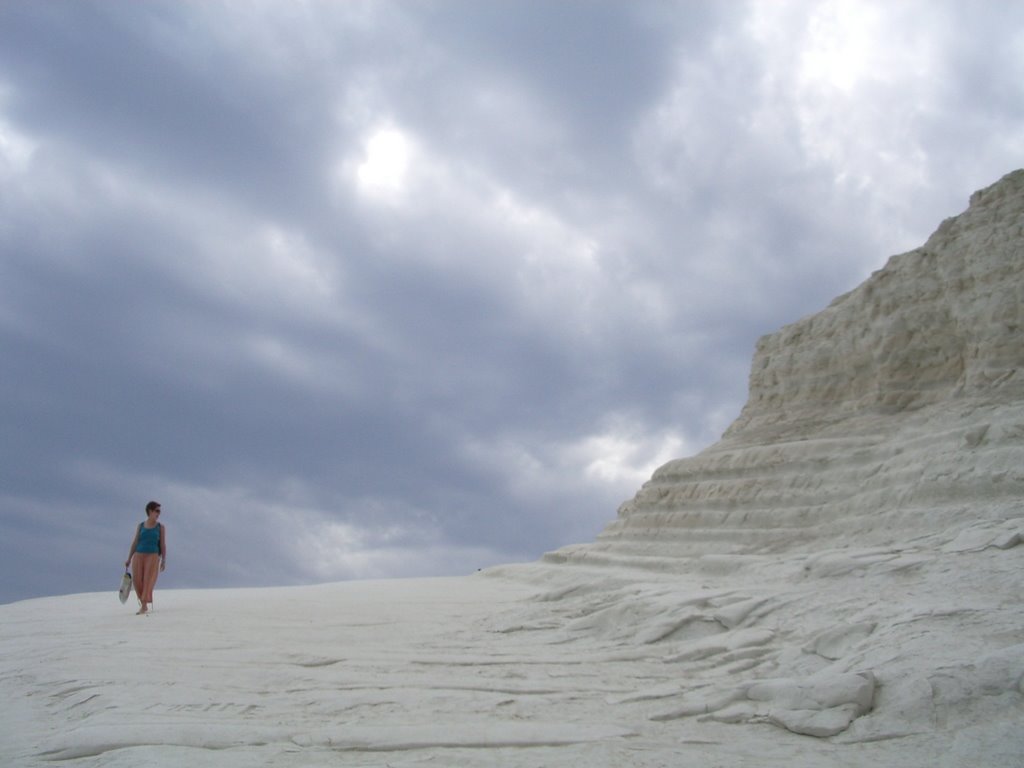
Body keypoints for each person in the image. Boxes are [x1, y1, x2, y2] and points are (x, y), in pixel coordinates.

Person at [125, 501, 167, 615]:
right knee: (137, 580)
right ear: (150, 511)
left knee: (148, 580)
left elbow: (162, 544)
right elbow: (135, 542)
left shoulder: (160, 527)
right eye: (157, 511)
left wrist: (163, 559)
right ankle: (142, 601)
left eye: (159, 511)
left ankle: (144, 605)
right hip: (138, 555)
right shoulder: (141, 526)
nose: (159, 514)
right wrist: (129, 558)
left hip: (153, 556)